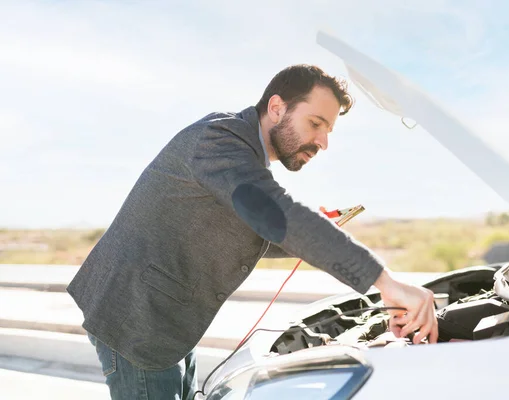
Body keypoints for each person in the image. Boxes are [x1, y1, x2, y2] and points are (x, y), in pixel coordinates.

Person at [66, 64, 438, 399]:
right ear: (276, 107)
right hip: (137, 321)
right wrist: (385, 282)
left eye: (328, 129)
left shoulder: (241, 150)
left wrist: (317, 234)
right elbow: (277, 215)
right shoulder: (220, 139)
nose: (324, 142)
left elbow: (250, 227)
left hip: (169, 323)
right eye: (316, 124)